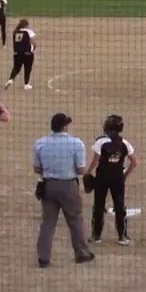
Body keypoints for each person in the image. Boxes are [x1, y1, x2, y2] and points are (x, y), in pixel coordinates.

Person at [32, 113, 95, 268]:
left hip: (48, 185)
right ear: (65, 127)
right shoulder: (76, 143)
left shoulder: (40, 143)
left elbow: (36, 168)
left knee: (48, 222)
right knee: (75, 220)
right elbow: (80, 170)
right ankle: (82, 253)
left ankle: (43, 257)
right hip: (68, 186)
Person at [88, 114, 138, 246]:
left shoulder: (101, 141)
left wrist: (88, 173)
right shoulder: (125, 143)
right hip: (117, 178)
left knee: (98, 206)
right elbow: (134, 162)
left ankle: (96, 236)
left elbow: (95, 160)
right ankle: (122, 236)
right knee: (120, 205)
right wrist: (125, 175)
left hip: (102, 178)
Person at [5, 19, 36, 90]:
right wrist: (34, 47)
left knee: (16, 68)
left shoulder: (15, 32)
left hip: (17, 53)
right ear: (26, 25)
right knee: (27, 68)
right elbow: (32, 41)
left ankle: (10, 80)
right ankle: (26, 84)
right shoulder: (28, 31)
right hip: (27, 53)